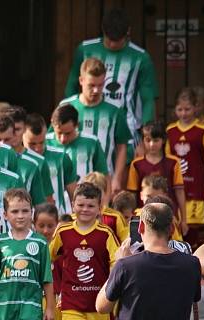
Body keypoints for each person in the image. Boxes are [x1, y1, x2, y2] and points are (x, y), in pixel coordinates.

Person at [97, 202, 200, 320]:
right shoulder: (192, 264)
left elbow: (102, 306)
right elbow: (194, 298)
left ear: (141, 227)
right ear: (171, 228)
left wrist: (118, 263)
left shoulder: (125, 265)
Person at [64, 7, 157, 146]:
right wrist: (67, 122)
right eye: (109, 39)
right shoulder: (85, 49)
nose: (113, 44)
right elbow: (71, 86)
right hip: (86, 126)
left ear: (128, 32)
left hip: (127, 129)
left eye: (118, 40)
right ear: (102, 29)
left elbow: (148, 99)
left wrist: (146, 138)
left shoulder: (141, 58)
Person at [50, 182, 119, 320]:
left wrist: (111, 289)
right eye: (81, 205)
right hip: (71, 302)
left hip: (98, 305)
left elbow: (117, 262)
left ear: (99, 208)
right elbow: (48, 258)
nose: (85, 209)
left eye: (90, 205)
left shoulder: (106, 233)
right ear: (73, 205)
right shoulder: (63, 231)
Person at [0, 188, 55, 320]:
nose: (21, 216)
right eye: (15, 211)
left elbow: (47, 279)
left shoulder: (40, 242)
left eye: (25, 211)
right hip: (3, 312)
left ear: (32, 212)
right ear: (5, 215)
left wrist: (50, 308)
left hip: (29, 312)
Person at [61, 58, 130, 192]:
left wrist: (117, 178)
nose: (96, 90)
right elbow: (53, 140)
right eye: (91, 85)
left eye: (100, 85)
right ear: (81, 80)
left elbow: (122, 146)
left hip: (103, 181)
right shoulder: (66, 106)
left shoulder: (114, 109)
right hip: (71, 181)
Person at [166, 88, 204, 248]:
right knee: (177, 225)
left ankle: (197, 263)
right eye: (180, 109)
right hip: (177, 187)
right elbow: (168, 161)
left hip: (197, 185)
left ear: (196, 107)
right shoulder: (170, 130)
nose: (183, 113)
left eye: (187, 109)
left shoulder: (203, 130)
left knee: (196, 228)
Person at [127, 121, 186, 225]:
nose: (152, 144)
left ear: (163, 140)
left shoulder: (173, 162)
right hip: (144, 216)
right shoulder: (136, 164)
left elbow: (179, 191)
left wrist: (184, 220)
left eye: (156, 140)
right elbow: (133, 194)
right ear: (143, 141)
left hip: (169, 216)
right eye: (148, 140)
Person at [24, 112, 77, 214]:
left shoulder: (61, 157)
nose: (38, 148)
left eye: (41, 142)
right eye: (32, 144)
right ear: (22, 136)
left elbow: (74, 195)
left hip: (57, 220)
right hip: (26, 222)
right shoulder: (16, 159)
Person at [47, 104, 108, 181]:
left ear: (77, 125)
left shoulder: (91, 142)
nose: (63, 139)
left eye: (68, 133)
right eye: (59, 133)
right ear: (52, 124)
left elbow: (103, 175)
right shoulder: (44, 143)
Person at [34, 203, 63, 320]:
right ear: (34, 224)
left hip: (58, 302)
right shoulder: (30, 248)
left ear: (57, 224)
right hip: (37, 301)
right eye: (41, 226)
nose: (45, 230)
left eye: (50, 226)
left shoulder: (61, 248)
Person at [80, 171, 128, 242]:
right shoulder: (76, 217)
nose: (95, 196)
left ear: (105, 193)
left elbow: (126, 241)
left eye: (99, 192)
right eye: (90, 192)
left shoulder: (115, 217)